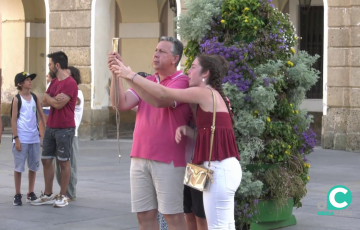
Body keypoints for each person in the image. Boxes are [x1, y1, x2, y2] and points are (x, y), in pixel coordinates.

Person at [111, 54, 242, 229]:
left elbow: (163, 93)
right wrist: (189, 131)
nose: (188, 70)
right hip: (203, 165)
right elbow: (212, 133)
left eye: (193, 67)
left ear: (205, 73)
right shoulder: (209, 96)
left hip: (217, 166)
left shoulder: (204, 92)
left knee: (215, 224)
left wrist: (130, 75)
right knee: (198, 215)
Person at [108, 36, 191, 230]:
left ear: (175, 58)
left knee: (173, 216)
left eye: (162, 51)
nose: (156, 54)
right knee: (144, 216)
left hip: (168, 158)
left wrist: (130, 75)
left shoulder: (182, 81)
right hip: (140, 155)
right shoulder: (148, 81)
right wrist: (116, 73)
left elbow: (160, 99)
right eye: (155, 50)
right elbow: (120, 103)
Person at [31, 51, 78, 208]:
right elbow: (44, 98)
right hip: (51, 126)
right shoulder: (55, 83)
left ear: (57, 65)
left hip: (65, 128)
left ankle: (63, 196)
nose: (49, 67)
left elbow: (58, 104)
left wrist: (50, 99)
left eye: (50, 64)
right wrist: (51, 99)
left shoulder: (70, 83)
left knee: (63, 161)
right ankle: (48, 194)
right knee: (46, 159)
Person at [11, 71, 46, 205]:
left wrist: (44, 130)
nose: (30, 81)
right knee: (19, 168)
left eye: (31, 79)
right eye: (27, 80)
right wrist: (16, 138)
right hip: (21, 138)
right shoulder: (16, 99)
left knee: (33, 167)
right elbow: (14, 120)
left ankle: (30, 192)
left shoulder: (35, 97)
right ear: (20, 84)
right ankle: (17, 193)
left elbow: (41, 114)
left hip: (34, 138)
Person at [54, 66, 84, 201]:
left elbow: (58, 102)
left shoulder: (78, 92)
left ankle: (70, 193)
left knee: (69, 165)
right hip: (59, 130)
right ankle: (63, 191)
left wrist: (52, 97)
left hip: (71, 132)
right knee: (59, 165)